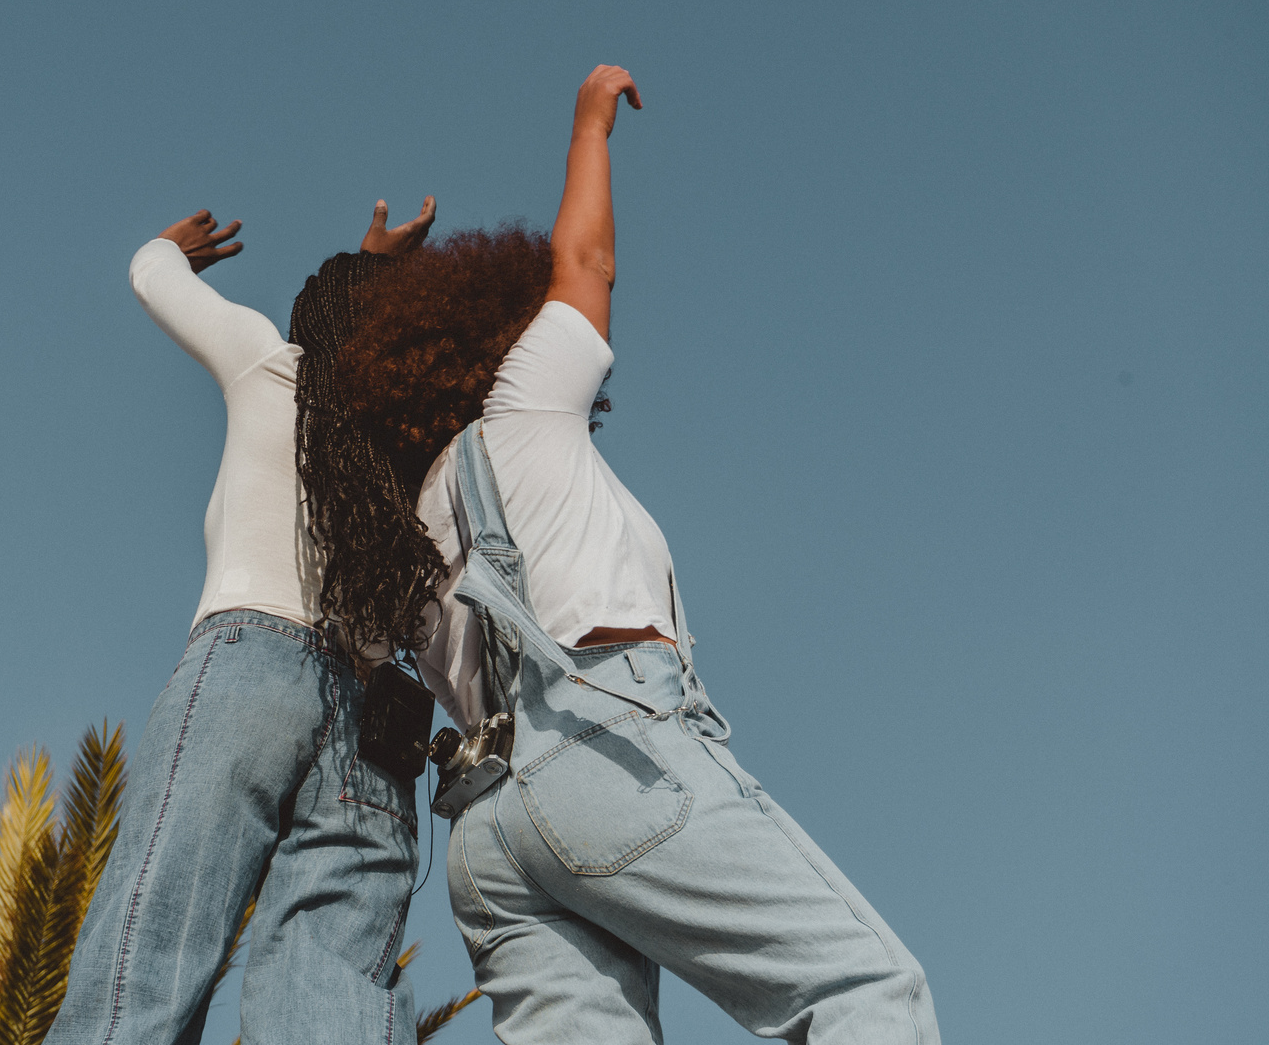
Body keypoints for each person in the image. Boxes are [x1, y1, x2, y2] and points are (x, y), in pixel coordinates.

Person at [334, 66, 942, 1044]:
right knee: (864, 990)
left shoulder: (393, 534)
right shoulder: (523, 412)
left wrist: (362, 280)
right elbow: (585, 262)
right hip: (605, 756)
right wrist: (588, 127)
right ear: (497, 334)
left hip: (487, 840)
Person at [45, 198, 436, 1045]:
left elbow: (154, 278)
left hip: (249, 667)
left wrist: (165, 246)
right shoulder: (411, 448)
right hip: (377, 724)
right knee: (331, 996)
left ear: (318, 318)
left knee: (147, 961)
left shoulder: (271, 363)